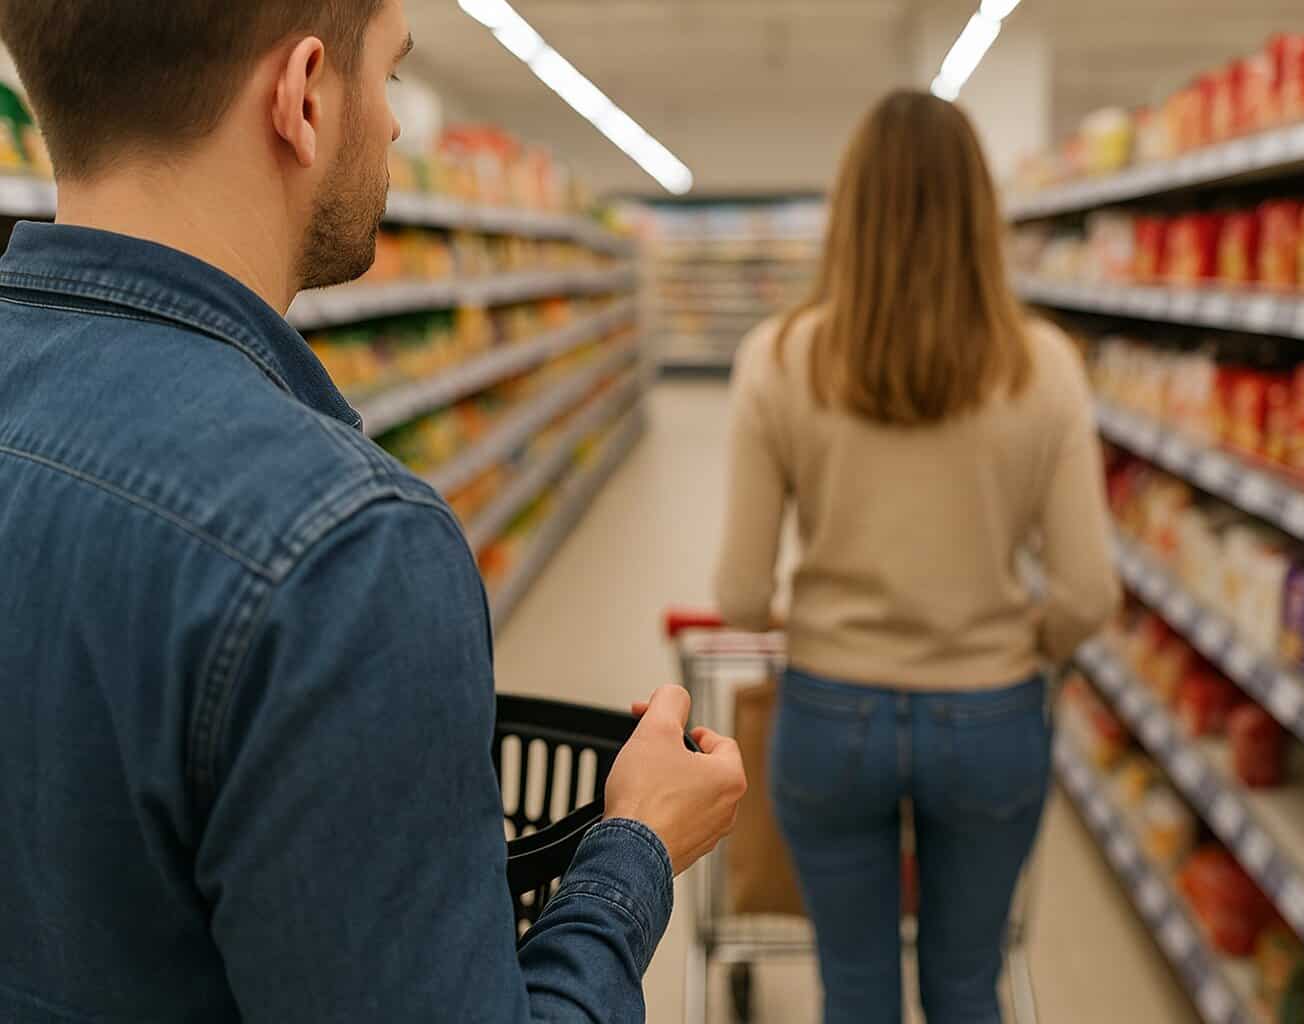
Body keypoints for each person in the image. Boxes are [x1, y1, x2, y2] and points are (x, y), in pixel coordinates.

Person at [0, 2, 745, 1021]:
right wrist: (638, 848)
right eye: (390, 77)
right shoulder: (341, 549)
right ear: (303, 96)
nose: (396, 127)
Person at [714, 90, 1121, 1024]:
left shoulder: (778, 358)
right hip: (992, 713)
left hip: (830, 710)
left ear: (849, 210)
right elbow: (1089, 592)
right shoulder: (1043, 365)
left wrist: (808, 620)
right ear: (983, 212)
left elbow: (739, 594)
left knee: (854, 990)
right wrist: (1026, 639)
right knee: (966, 986)